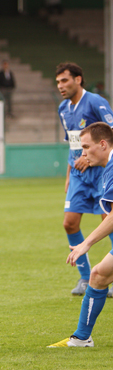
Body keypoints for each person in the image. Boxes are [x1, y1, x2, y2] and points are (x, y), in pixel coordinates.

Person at [48, 122, 113, 347]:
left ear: (102, 144)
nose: (83, 153)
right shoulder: (108, 168)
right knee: (99, 276)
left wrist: (85, 244)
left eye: (86, 147)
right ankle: (82, 338)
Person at [56, 62, 113, 296]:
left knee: (108, 223)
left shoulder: (96, 101)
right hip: (78, 175)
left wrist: (88, 158)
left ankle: (108, 275)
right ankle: (84, 278)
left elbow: (110, 135)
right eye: (58, 82)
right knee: (69, 223)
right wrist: (69, 174)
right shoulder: (63, 108)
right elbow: (73, 143)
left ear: (78, 80)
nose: (60, 86)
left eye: (65, 80)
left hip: (101, 172)